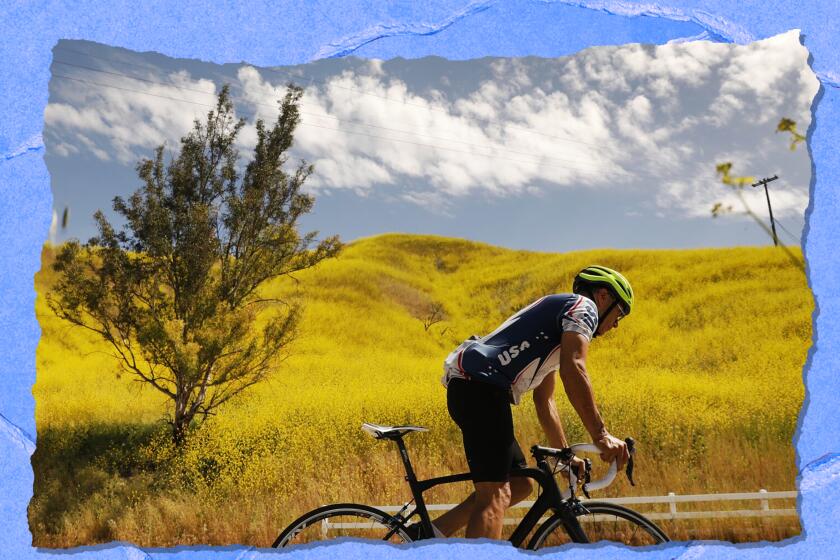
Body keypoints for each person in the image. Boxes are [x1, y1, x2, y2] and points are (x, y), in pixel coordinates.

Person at [419, 265, 634, 540]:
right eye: (621, 312)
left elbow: (545, 401)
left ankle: (425, 535)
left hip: (477, 389)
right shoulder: (584, 307)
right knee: (495, 494)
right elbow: (575, 368)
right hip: (480, 387)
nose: (617, 323)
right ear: (603, 295)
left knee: (520, 485)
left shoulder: (556, 330)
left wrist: (564, 457)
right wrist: (601, 436)